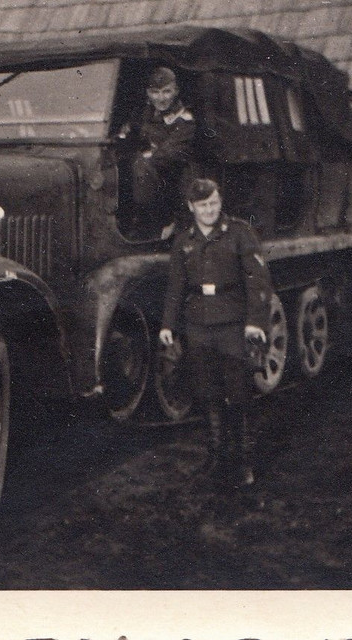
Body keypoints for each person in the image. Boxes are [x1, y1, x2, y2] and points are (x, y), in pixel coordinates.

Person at [159, 178, 271, 489]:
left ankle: (244, 462)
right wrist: (168, 325)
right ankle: (217, 457)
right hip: (198, 326)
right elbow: (175, 288)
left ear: (220, 203)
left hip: (233, 323)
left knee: (239, 393)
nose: (210, 210)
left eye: (214, 203)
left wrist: (255, 322)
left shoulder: (239, 234)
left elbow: (258, 281)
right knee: (207, 393)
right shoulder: (184, 241)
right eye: (203, 205)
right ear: (191, 207)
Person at [120, 67, 195, 235]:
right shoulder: (143, 115)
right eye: (155, 92)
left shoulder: (184, 120)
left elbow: (168, 154)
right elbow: (127, 135)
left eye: (166, 92)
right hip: (147, 181)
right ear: (148, 93)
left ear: (175, 91)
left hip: (174, 182)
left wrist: (144, 157)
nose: (161, 98)